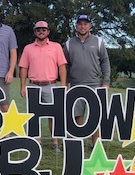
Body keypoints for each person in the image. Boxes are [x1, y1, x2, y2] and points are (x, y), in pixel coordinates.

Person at [18, 20, 67, 150]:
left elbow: (62, 66)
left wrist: (63, 84)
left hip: (50, 85)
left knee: (53, 115)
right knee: (34, 116)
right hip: (33, 86)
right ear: (35, 32)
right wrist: (22, 86)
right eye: (38, 30)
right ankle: (37, 141)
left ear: (48, 32)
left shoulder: (56, 47)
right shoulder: (28, 48)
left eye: (43, 30)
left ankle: (55, 142)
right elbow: (24, 68)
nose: (41, 32)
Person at [63, 13, 110, 146]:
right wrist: (65, 84)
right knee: (77, 115)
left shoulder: (98, 41)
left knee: (95, 116)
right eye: (80, 24)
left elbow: (105, 62)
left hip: (95, 84)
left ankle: (95, 143)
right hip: (76, 84)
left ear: (90, 26)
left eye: (85, 24)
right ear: (76, 26)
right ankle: (79, 142)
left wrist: (106, 82)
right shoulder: (69, 43)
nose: (82, 26)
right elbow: (65, 65)